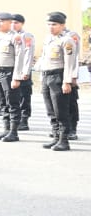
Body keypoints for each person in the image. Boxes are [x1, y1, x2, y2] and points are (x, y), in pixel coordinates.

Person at [39, 11, 76, 151]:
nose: (51, 27)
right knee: (51, 110)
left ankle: (64, 140)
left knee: (61, 110)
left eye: (54, 24)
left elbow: (69, 63)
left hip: (58, 77)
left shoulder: (67, 40)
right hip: (47, 76)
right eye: (48, 24)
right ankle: (55, 137)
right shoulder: (48, 39)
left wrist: (67, 81)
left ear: (62, 25)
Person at [0, 12, 21, 142]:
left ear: (9, 22)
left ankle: (14, 132)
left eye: (2, 21)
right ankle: (6, 129)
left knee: (12, 102)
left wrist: (16, 77)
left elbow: (20, 58)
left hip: (9, 72)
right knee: (2, 103)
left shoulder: (15, 37)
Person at [11, 14, 35, 130]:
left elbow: (28, 54)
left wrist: (26, 71)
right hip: (12, 71)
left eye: (16, 23)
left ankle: (24, 120)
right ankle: (15, 119)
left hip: (22, 72)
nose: (13, 25)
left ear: (22, 24)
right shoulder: (9, 36)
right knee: (14, 97)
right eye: (12, 22)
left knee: (24, 96)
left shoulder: (26, 36)